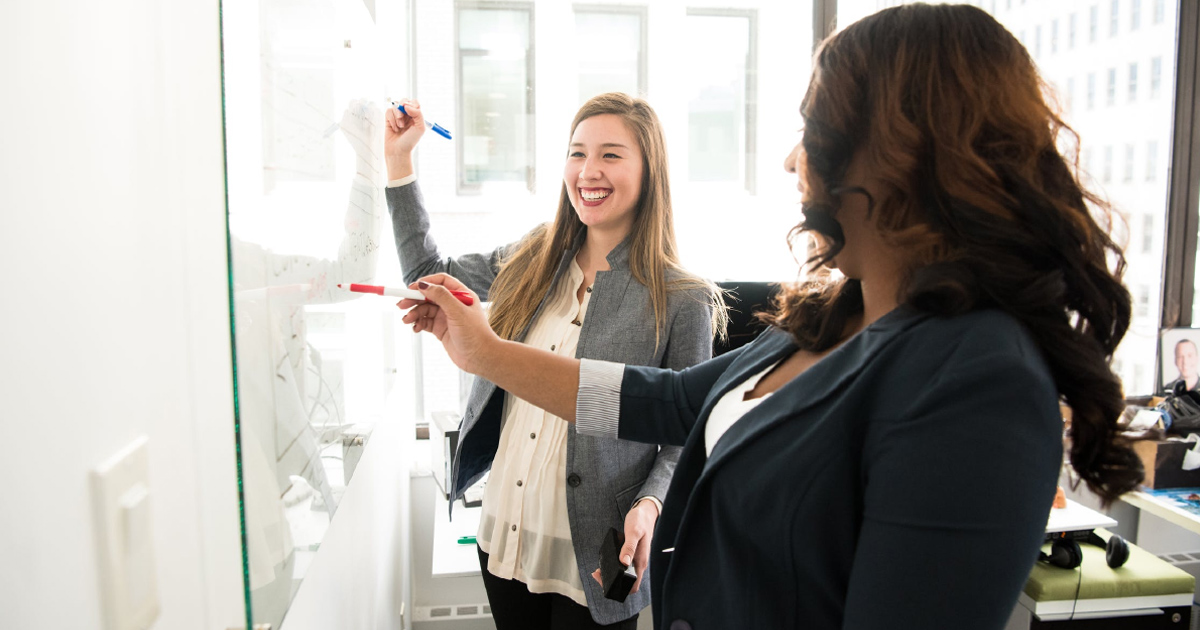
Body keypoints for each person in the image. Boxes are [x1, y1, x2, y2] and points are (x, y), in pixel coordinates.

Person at [397, 5, 1144, 629]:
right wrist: (484, 352)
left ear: (898, 150)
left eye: (811, 127)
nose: (792, 161)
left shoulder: (978, 378)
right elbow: (671, 401)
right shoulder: (826, 319)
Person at [384, 92, 723, 629]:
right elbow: (427, 271)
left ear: (649, 170)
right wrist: (400, 161)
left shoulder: (681, 298)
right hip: (505, 531)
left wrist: (652, 504)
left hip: (597, 550)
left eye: (611, 154)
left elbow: (688, 432)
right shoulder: (534, 256)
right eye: (577, 153)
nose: (589, 171)